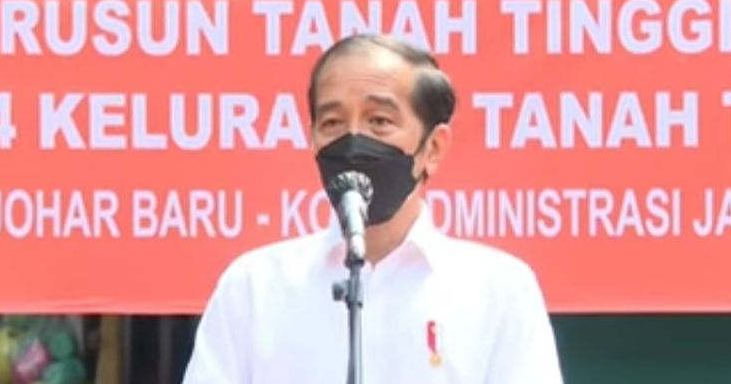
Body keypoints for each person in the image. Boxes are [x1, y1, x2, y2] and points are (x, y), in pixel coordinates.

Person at [182, 34, 563, 383]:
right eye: (332, 123)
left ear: (432, 148)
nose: (353, 142)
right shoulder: (255, 286)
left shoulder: (498, 289)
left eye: (379, 121)